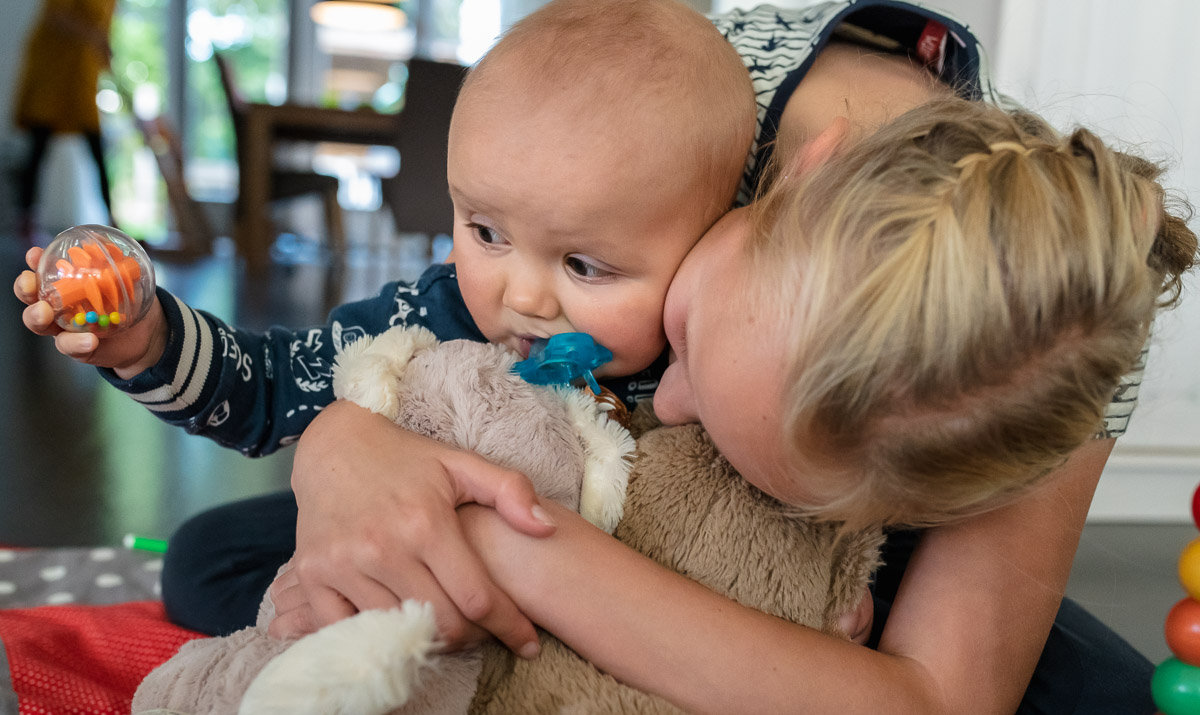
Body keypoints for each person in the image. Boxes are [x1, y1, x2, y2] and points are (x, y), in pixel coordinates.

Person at [266, 4, 1197, 715]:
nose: (668, 403)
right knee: (226, 563)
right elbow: (468, 313)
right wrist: (342, 446)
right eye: (697, 342)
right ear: (802, 174)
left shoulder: (1056, 358)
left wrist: (503, 543)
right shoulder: (692, 86)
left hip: (805, 593)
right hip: (581, 486)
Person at [13, 0, 758, 648]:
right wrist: (151, 341)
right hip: (410, 543)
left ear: (705, 248)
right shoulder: (435, 314)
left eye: (586, 267)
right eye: (487, 233)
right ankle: (349, 637)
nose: (522, 298)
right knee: (202, 557)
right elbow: (269, 388)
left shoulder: (712, 372)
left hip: (596, 600)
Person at [13, 0, 117, 239]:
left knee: (97, 149)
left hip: (81, 78)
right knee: (38, 150)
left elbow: (103, 30)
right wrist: (94, 36)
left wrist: (103, 48)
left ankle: (112, 222)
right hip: (52, 76)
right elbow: (56, 17)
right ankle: (26, 222)